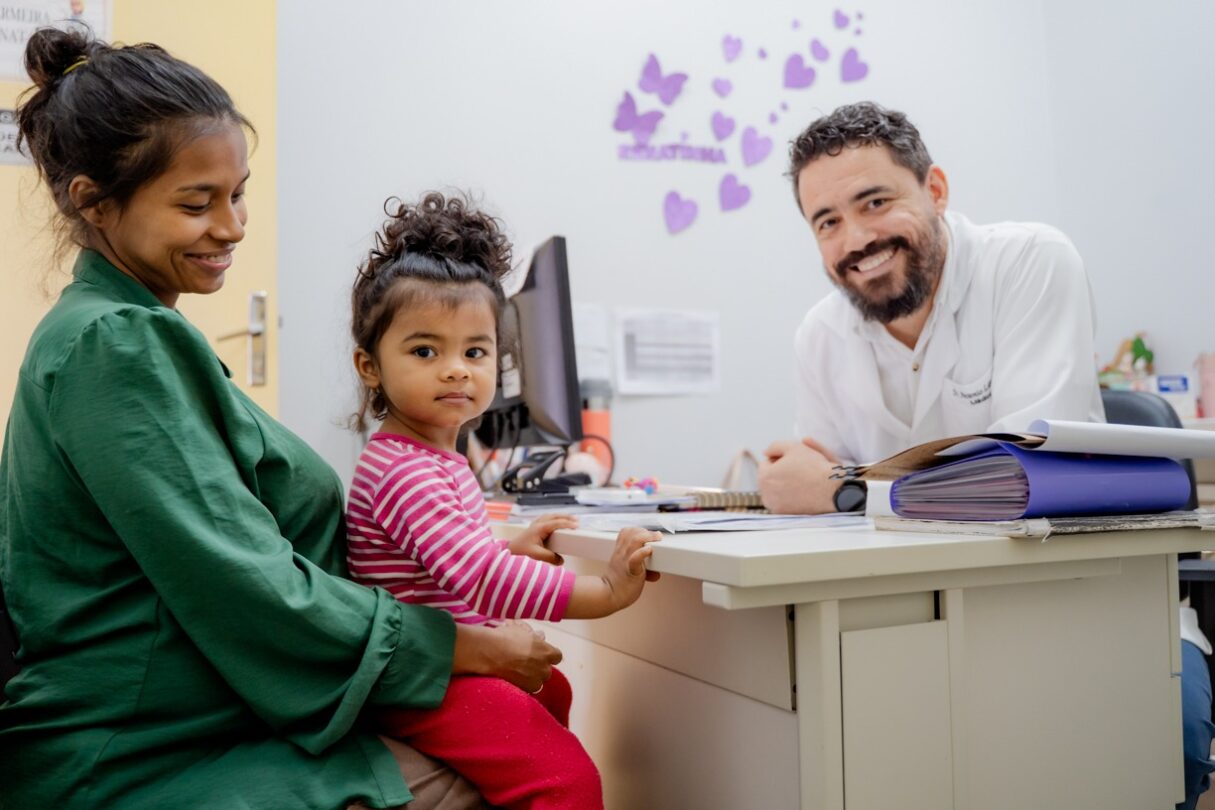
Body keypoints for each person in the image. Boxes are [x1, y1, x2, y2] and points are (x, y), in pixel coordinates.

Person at [0, 29, 560, 810]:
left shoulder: (124, 331)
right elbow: (246, 584)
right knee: (516, 775)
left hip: (189, 722)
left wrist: (483, 559)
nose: (231, 226)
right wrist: (460, 646)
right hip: (137, 757)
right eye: (196, 203)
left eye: (238, 194)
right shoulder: (114, 343)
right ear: (93, 201)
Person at [758, 100, 1213, 810]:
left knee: (1161, 744)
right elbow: (824, 510)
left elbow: (1016, 481)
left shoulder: (1028, 261)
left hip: (1081, 605)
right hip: (912, 619)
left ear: (934, 189)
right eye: (826, 222)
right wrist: (816, 492)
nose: (856, 238)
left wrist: (845, 487)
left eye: (873, 201)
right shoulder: (819, 335)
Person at [345, 192, 662, 810]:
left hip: (436, 663)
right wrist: (607, 594)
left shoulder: (429, 456)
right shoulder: (407, 470)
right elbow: (481, 581)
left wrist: (505, 545)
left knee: (555, 693)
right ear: (370, 365)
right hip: (420, 683)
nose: (457, 370)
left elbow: (439, 564)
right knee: (569, 781)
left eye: (475, 351)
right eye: (424, 351)